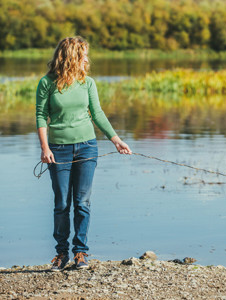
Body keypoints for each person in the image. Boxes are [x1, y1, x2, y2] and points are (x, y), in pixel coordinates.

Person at [36, 36, 132, 271]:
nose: (87, 60)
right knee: (61, 204)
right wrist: (45, 147)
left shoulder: (88, 83)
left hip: (87, 147)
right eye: (83, 55)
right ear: (71, 57)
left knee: (82, 203)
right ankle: (61, 254)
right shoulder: (47, 83)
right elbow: (40, 116)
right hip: (58, 150)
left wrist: (116, 140)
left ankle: (80, 252)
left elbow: (97, 113)